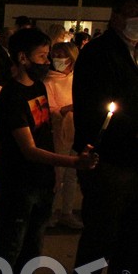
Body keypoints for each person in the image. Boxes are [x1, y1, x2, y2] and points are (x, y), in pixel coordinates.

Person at [0, 28, 97, 274]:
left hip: (43, 184)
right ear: (22, 58)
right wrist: (71, 163)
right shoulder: (12, 97)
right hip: (18, 187)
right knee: (9, 251)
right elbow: (29, 149)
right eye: (42, 56)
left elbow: (45, 132)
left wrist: (58, 172)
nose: (48, 62)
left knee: (32, 252)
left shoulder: (40, 90)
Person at [71, 0, 138, 274]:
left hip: (133, 160)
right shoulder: (98, 52)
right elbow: (93, 108)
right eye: (134, 14)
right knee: (99, 236)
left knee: (129, 238)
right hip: (108, 159)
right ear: (117, 16)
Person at [43, 42, 83, 229]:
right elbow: (48, 109)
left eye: (62, 54)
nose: (58, 58)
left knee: (72, 175)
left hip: (76, 130)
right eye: (55, 54)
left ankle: (66, 212)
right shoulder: (48, 81)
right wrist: (65, 109)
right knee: (57, 174)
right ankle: (49, 212)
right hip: (58, 133)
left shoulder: (79, 79)